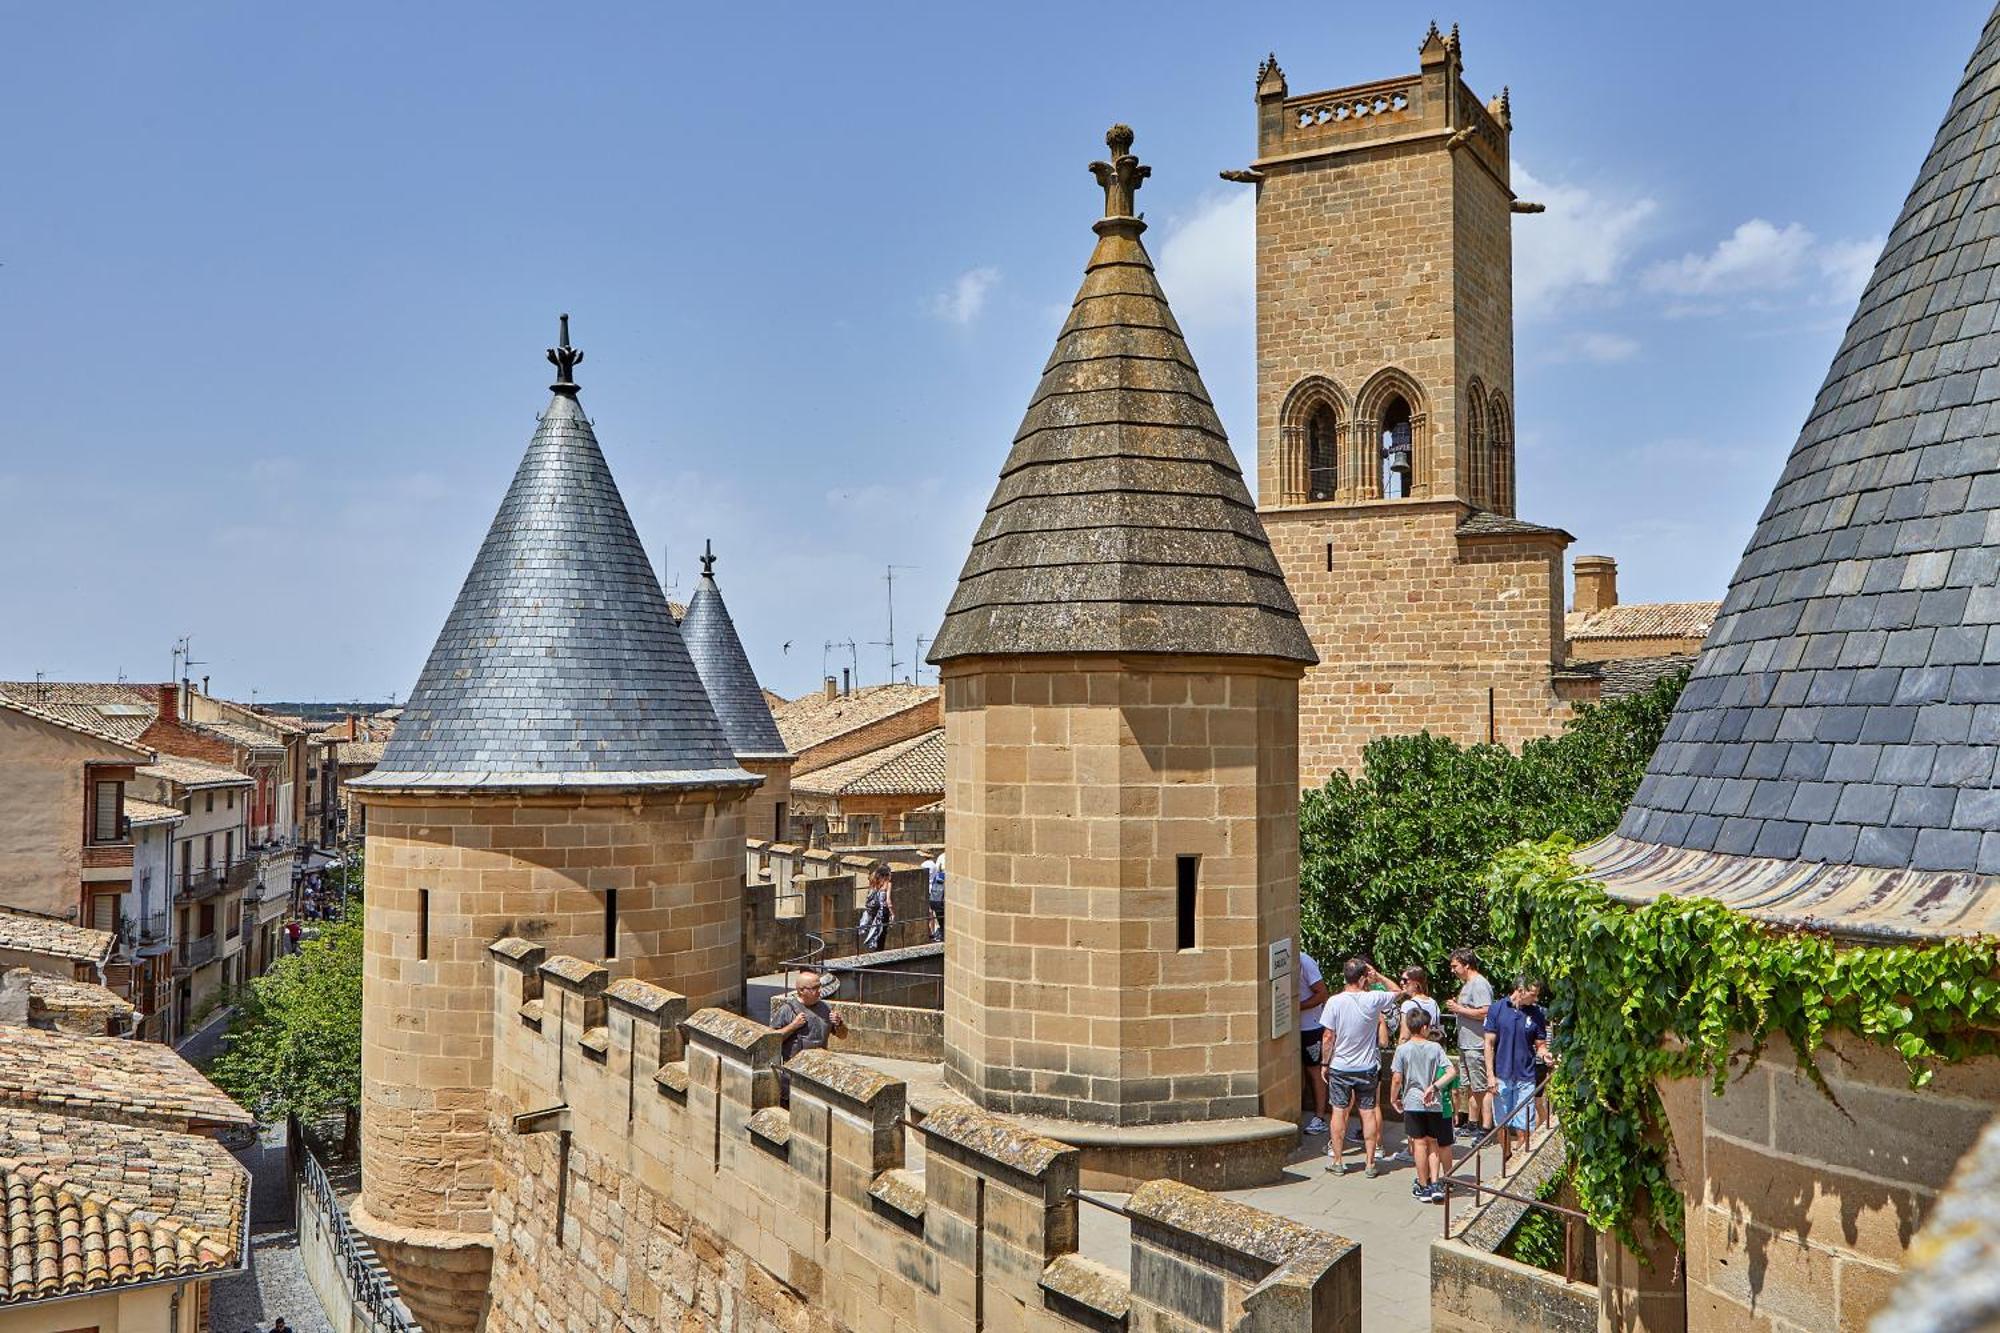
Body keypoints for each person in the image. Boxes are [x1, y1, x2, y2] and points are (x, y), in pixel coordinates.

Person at [1320, 958, 1405, 1177]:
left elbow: (1328, 1036)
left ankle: (1338, 1161)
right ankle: (1369, 1163)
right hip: (1366, 1066)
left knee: (1338, 1112)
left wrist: (1324, 1063)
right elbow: (1398, 991)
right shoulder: (1373, 999)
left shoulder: (1334, 1002)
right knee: (1368, 1113)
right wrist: (1378, 976)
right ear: (1362, 977)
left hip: (1340, 1066)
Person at [1390, 1009, 1455, 1203]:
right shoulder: (1435, 1049)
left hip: (1412, 1100)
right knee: (1433, 1142)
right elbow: (1451, 1072)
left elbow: (1396, 1078)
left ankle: (1423, 1184)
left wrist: (1394, 1098)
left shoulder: (1402, 1049)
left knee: (1419, 1143)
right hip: (1432, 1101)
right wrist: (1434, 1087)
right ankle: (1436, 1183)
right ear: (1425, 1027)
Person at [1484, 976, 1551, 1158]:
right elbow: (1488, 1044)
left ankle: (1519, 1161)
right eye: (1533, 994)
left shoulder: (1536, 1013)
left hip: (1525, 1076)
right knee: (1502, 1122)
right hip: (1501, 1075)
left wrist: (1545, 1055)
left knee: (1524, 1126)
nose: (1535, 999)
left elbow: (1540, 1045)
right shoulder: (1497, 1009)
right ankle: (1507, 1156)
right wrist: (1490, 1075)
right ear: (1520, 991)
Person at [771, 968, 847, 1101]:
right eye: (814, 987)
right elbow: (771, 1040)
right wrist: (793, 1026)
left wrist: (839, 1024)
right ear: (801, 990)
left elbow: (843, 1035)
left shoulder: (825, 1008)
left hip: (820, 1072)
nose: (819, 991)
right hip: (794, 1076)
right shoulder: (787, 1010)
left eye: (819, 986)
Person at [1446, 949, 1494, 1140]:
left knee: (1481, 1087)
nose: (1453, 970)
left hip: (1476, 1044)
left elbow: (1486, 1012)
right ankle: (1473, 1124)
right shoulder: (1467, 984)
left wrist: (1459, 1009)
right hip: (1466, 1044)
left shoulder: (1480, 984)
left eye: (1455, 966)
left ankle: (1486, 1128)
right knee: (1471, 1086)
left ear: (1467, 965)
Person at [1297, 950, 1330, 1133]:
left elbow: (1321, 993)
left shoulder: (1304, 962)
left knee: (1314, 1071)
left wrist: (1297, 1007)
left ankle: (1319, 1117)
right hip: (1292, 1027)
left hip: (1311, 1027)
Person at [858, 862, 895, 951]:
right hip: (883, 912)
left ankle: (873, 951)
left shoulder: (873, 881)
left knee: (874, 931)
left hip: (873, 911)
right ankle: (879, 952)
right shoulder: (887, 883)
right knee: (881, 934)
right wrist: (892, 914)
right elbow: (888, 901)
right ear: (887, 874)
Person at [925, 852, 946, 943]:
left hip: (938, 889)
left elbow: (938, 872)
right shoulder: (934, 862)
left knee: (936, 913)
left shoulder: (941, 857)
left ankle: (940, 932)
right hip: (940, 888)